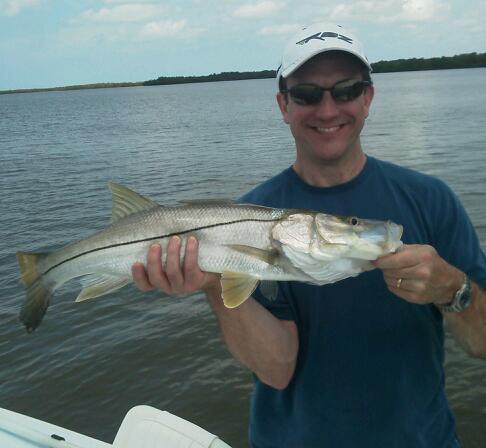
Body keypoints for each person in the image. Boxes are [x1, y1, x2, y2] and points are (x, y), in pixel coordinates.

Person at [132, 23, 486, 448]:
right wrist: (213, 280)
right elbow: (277, 367)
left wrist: (454, 288)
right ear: (283, 105)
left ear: (368, 97)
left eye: (346, 90)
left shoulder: (431, 200)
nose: (327, 109)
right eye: (306, 95)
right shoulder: (248, 217)